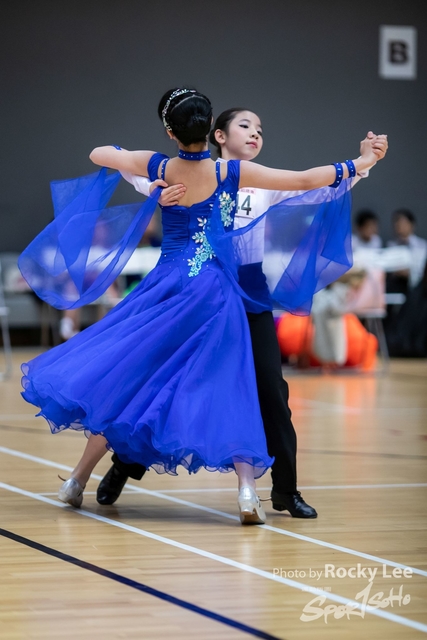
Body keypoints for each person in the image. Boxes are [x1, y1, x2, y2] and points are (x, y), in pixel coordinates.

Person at [19, 87, 386, 525]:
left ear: (170, 131)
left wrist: (360, 168)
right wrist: (358, 162)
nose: (255, 132)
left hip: (197, 288)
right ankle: (229, 488)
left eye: (259, 128)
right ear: (215, 131)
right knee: (197, 384)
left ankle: (281, 490)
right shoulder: (232, 173)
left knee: (224, 386)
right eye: (245, 125)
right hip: (216, 289)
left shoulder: (173, 167)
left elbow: (103, 154)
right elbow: (308, 178)